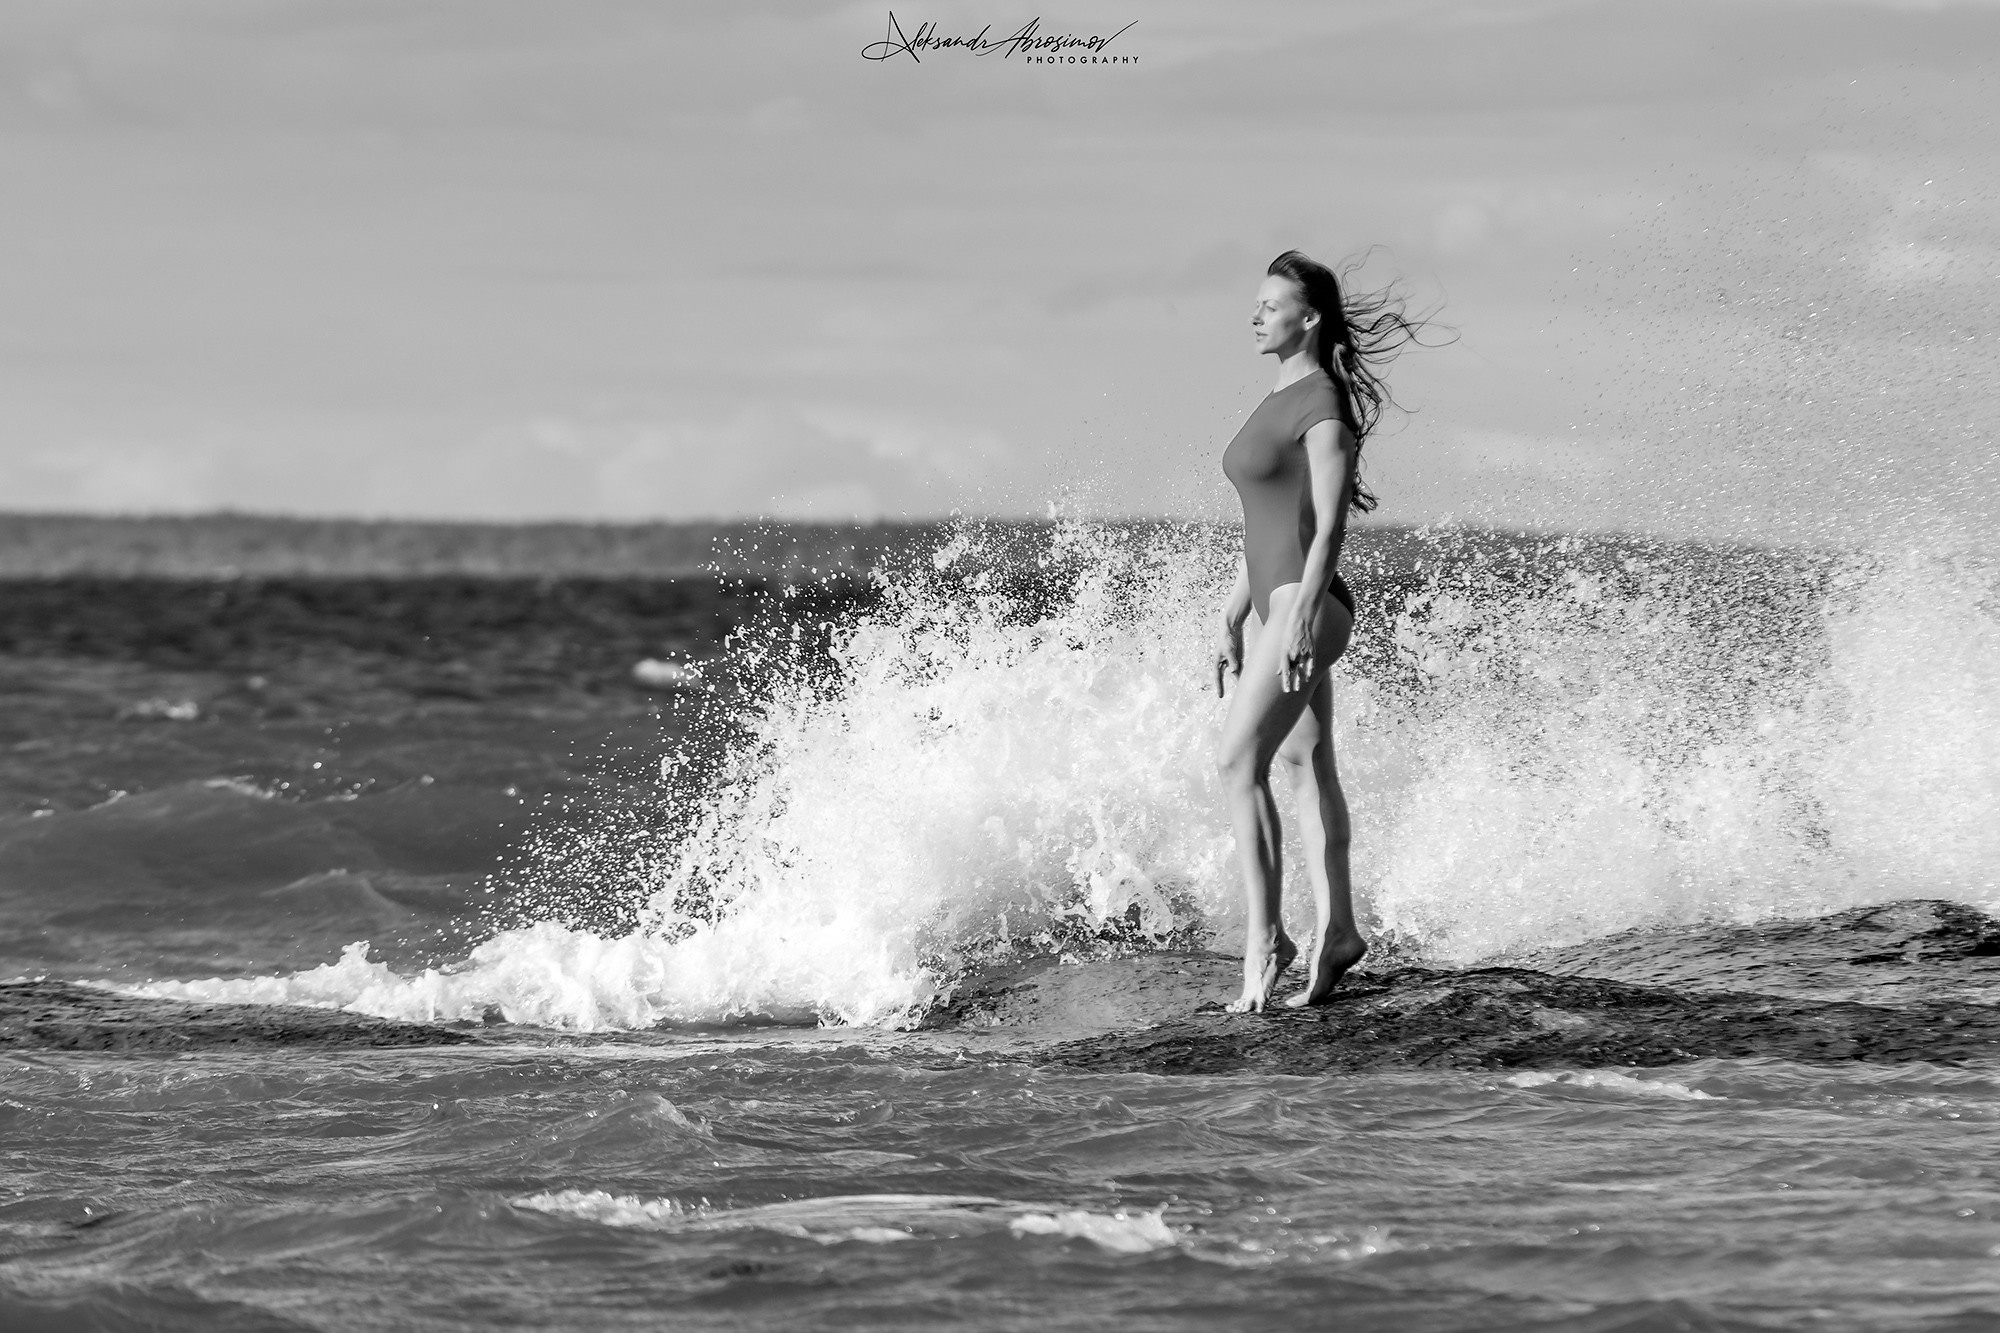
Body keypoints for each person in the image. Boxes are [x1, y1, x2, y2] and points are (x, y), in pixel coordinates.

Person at [1214, 249, 1424, 1013]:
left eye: (1270, 305)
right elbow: (1274, 515)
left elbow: (1330, 522)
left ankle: (1263, 947)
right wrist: (1235, 609)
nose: (1256, 315)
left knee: (1238, 761)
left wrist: (1299, 609)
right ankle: (1339, 931)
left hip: (1308, 604)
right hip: (1278, 600)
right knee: (1305, 763)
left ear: (1308, 317)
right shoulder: (1281, 391)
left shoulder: (1323, 402)